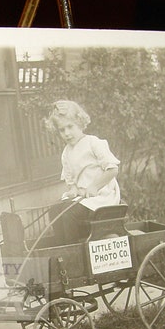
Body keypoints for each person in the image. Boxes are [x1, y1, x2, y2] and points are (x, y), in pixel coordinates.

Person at [44, 100, 121, 244]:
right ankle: (63, 248)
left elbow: (112, 169)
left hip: (102, 198)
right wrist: (73, 190)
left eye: (70, 127)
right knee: (55, 211)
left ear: (79, 123)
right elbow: (71, 181)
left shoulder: (93, 143)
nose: (67, 133)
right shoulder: (66, 153)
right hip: (83, 199)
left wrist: (94, 186)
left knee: (69, 214)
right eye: (62, 129)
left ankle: (73, 255)